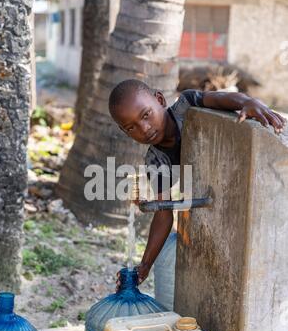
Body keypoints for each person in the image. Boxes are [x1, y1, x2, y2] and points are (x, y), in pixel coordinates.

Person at [108, 79, 286, 291]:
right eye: (131, 127)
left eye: (146, 115)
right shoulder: (156, 161)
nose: (144, 129)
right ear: (124, 131)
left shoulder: (187, 105)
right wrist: (145, 265)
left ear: (160, 100)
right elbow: (163, 213)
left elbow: (220, 99)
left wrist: (248, 101)